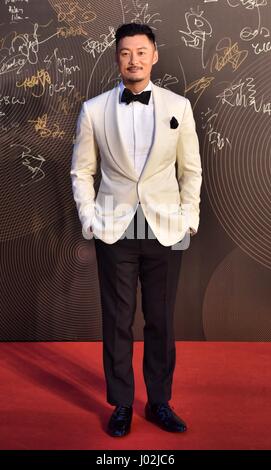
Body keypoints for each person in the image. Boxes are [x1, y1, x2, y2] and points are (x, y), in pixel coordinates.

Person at [71, 22, 202, 437]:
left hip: (165, 227)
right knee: (117, 319)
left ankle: (160, 401)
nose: (134, 60)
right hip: (115, 227)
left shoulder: (178, 107)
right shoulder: (94, 110)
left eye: (141, 52)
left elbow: (192, 170)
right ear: (116, 57)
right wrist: (89, 218)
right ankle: (122, 403)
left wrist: (189, 217)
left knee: (161, 319)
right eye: (126, 53)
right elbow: (82, 170)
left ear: (154, 56)